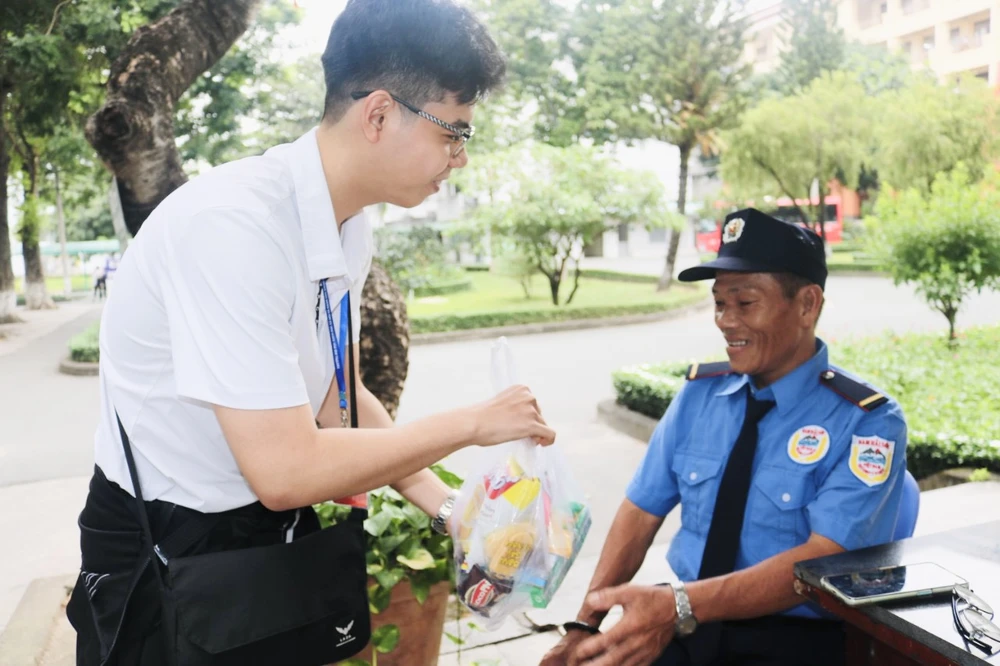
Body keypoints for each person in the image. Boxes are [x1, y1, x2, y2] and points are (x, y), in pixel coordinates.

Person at [67, 2, 554, 665]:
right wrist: (472, 423)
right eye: (454, 133)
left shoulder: (342, 223)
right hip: (165, 540)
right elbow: (286, 470)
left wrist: (451, 509)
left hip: (254, 532)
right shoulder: (234, 227)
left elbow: (337, 393)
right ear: (378, 115)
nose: (460, 158)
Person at [541, 208, 908, 666]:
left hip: (794, 641)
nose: (725, 321)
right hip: (684, 625)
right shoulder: (700, 396)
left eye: (745, 303)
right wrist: (584, 626)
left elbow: (823, 559)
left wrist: (679, 605)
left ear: (807, 305)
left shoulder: (867, 422)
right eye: (719, 303)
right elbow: (640, 510)